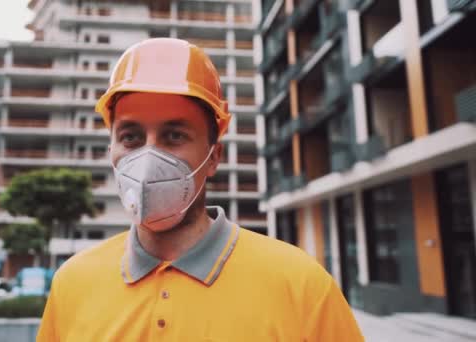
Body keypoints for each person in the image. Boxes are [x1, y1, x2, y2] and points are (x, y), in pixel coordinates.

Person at [37, 38, 364, 341]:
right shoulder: (72, 285)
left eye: (174, 136)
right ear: (112, 150)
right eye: (131, 137)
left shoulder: (301, 285)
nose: (148, 158)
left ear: (213, 157)